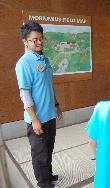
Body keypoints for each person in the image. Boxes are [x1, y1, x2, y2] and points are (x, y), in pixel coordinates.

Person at [15, 21, 62, 188]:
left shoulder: (45, 59)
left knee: (49, 148)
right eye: (35, 40)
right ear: (25, 41)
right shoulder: (24, 63)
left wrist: (56, 105)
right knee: (39, 153)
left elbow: (49, 85)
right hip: (37, 118)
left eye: (41, 38)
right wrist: (34, 119)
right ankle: (43, 183)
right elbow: (25, 93)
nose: (39, 42)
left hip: (50, 115)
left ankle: (48, 175)